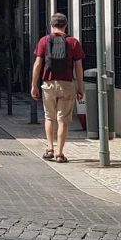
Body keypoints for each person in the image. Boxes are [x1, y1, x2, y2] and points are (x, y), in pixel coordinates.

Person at [29, 12, 85, 163]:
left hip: (48, 84)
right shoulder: (73, 42)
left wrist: (34, 85)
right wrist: (80, 87)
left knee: (49, 117)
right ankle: (60, 154)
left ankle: (50, 149)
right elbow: (78, 67)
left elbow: (38, 64)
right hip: (66, 84)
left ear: (51, 25)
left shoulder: (44, 40)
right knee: (63, 120)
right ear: (66, 25)